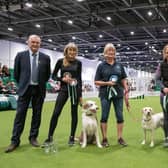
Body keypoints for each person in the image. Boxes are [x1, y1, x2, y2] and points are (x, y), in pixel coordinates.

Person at [5, 35, 51, 153]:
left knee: (37, 115)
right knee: (20, 115)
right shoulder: (20, 56)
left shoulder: (46, 58)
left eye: (37, 43)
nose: (35, 44)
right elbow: (16, 74)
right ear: (28, 43)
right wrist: (23, 83)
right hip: (25, 89)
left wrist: (39, 83)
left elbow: (46, 75)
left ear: (40, 44)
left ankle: (33, 137)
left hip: (39, 89)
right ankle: (15, 140)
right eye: (33, 42)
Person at [43, 42, 82, 146]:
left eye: (74, 50)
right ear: (66, 51)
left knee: (74, 114)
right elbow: (54, 76)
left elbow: (79, 79)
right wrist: (62, 79)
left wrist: (80, 95)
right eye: (70, 50)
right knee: (56, 112)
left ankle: (72, 137)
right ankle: (50, 137)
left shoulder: (78, 63)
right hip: (64, 89)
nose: (72, 52)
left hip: (74, 90)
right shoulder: (60, 61)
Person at [94, 43, 130, 147]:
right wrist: (107, 83)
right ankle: (105, 138)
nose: (111, 52)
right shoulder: (101, 66)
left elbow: (123, 78)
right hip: (105, 94)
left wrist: (126, 89)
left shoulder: (119, 65)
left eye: (112, 51)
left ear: (115, 53)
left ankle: (120, 138)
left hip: (118, 94)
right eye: (108, 51)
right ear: (105, 53)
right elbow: (96, 81)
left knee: (120, 116)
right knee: (104, 116)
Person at [155, 44, 168, 147]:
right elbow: (157, 80)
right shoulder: (161, 65)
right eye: (167, 52)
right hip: (165, 95)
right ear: (164, 53)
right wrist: (163, 88)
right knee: (166, 117)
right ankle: (167, 138)